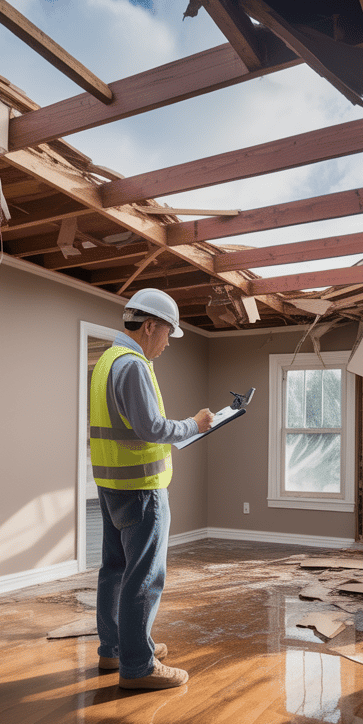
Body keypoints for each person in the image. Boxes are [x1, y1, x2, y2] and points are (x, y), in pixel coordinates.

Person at [89, 288, 213, 690]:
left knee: (115, 570)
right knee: (144, 576)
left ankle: (114, 648)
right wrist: (194, 425)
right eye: (166, 335)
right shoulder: (133, 365)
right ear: (149, 326)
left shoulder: (107, 361)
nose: (166, 345)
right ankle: (138, 665)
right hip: (141, 488)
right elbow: (152, 429)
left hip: (110, 485)